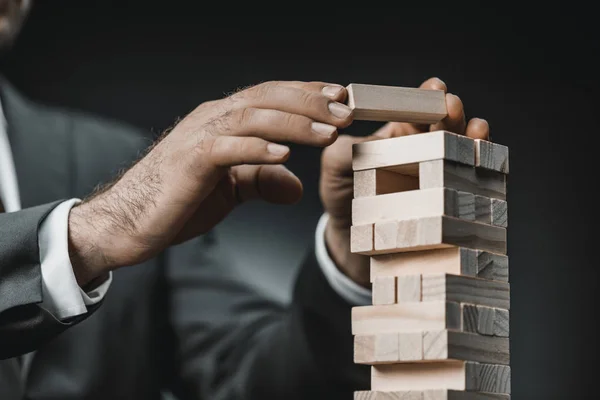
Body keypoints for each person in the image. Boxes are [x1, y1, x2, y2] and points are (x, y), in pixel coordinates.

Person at [0, 1, 490, 399]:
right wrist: (87, 235)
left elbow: (245, 376)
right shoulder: (127, 193)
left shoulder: (110, 158)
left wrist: (354, 259)